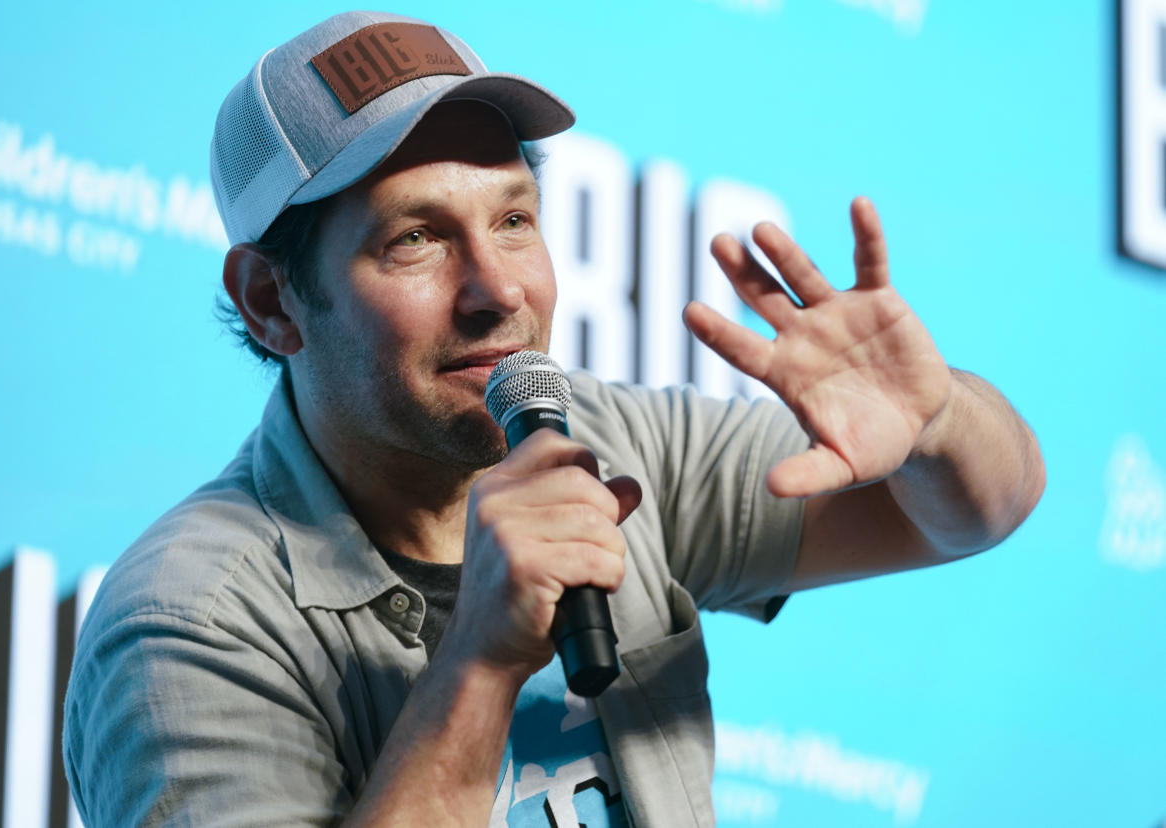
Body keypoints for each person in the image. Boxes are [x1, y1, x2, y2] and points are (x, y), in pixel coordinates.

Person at [62, 9, 1045, 827]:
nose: (496, 289)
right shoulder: (186, 623)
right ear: (272, 303)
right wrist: (479, 664)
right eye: (415, 239)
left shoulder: (616, 448)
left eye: (513, 218)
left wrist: (935, 420)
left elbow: (969, 511)